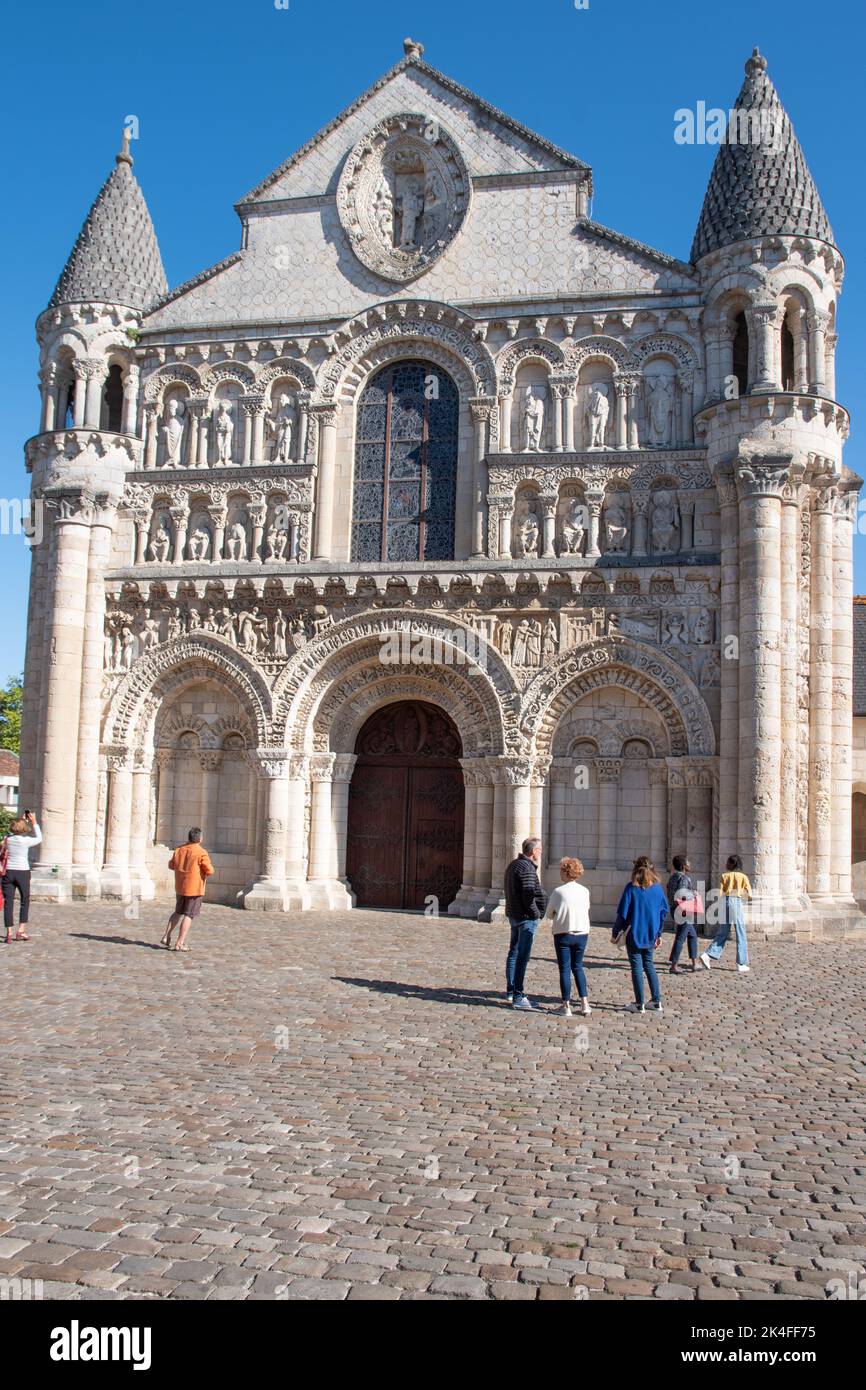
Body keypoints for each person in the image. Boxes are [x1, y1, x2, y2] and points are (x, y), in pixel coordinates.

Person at [613, 856, 668, 1013]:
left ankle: (639, 1003)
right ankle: (656, 1000)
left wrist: (615, 932)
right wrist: (659, 934)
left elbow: (622, 914)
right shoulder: (657, 889)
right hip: (651, 932)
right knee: (649, 965)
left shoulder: (631, 888)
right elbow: (663, 913)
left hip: (635, 933)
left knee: (636, 966)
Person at [544, 857, 591, 1017]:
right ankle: (585, 1004)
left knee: (564, 969)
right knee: (578, 967)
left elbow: (549, 914)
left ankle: (566, 1005)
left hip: (564, 933)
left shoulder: (558, 892)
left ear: (565, 872)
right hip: (582, 933)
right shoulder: (585, 891)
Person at [504, 837, 546, 1011]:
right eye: (540, 850)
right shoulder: (527, 868)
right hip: (525, 918)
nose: (541, 852)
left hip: (514, 915)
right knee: (522, 957)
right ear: (533, 851)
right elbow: (528, 895)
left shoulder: (513, 865)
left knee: (514, 953)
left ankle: (511, 990)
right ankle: (519, 995)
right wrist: (536, 914)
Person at [161, 827, 214, 952]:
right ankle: (180, 942)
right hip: (194, 889)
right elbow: (209, 870)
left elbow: (171, 865)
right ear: (200, 839)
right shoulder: (201, 852)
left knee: (177, 912)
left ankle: (166, 936)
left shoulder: (179, 849)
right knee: (189, 915)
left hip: (180, 887)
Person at [700, 855, 752, 973]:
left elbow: (721, 893)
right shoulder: (743, 877)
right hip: (736, 901)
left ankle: (708, 955)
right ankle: (741, 963)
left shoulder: (724, 876)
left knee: (723, 932)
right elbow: (749, 894)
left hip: (726, 901)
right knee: (741, 933)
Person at [1, 811, 41, 943]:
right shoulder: (26, 841)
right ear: (24, 828)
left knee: (8, 903)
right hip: (22, 872)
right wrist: (34, 822)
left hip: (8, 872)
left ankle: (9, 933)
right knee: (24, 901)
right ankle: (21, 930)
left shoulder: (7, 839)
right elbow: (39, 838)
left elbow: (9, 835)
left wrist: (19, 821)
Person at [666, 854, 699, 973]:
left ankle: (695, 963)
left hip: (675, 909)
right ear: (684, 866)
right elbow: (682, 894)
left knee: (692, 935)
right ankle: (673, 965)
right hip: (683, 911)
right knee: (680, 937)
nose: (690, 864)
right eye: (688, 862)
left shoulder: (672, 877)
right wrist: (693, 894)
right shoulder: (685, 878)